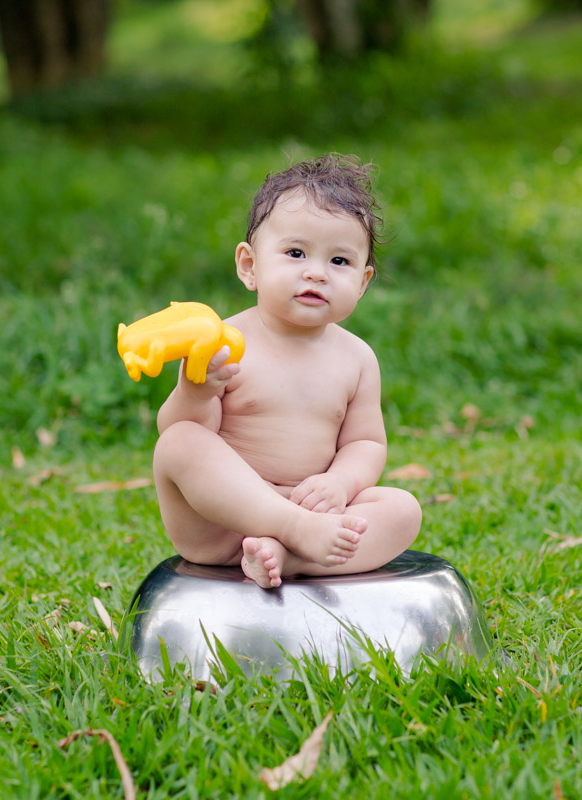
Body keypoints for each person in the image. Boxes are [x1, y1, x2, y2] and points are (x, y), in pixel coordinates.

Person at [152, 154, 422, 588]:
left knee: (403, 508)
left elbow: (366, 443)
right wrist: (195, 392)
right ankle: (293, 531)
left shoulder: (356, 358)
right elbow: (185, 433)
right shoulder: (224, 343)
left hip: (316, 509)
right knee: (178, 442)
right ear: (250, 266)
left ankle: (289, 556)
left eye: (339, 261)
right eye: (296, 253)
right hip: (220, 523)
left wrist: (339, 483)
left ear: (363, 282)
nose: (316, 273)